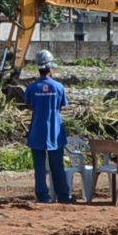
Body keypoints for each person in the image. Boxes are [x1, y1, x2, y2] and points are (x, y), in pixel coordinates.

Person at [23, 49, 74, 204]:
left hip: (37, 131)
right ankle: (63, 196)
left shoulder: (31, 88)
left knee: (39, 168)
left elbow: (29, 106)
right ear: (50, 68)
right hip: (55, 131)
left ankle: (42, 196)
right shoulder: (58, 87)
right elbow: (61, 107)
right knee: (57, 166)